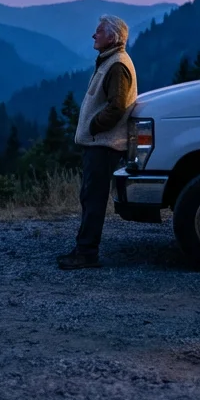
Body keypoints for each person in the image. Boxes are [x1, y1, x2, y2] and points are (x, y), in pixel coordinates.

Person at [57, 14, 137, 270]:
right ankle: (83, 247)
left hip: (104, 144)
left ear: (111, 37)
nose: (94, 35)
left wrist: (94, 125)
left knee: (93, 198)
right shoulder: (110, 62)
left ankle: (87, 253)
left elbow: (117, 106)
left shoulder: (116, 66)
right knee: (90, 196)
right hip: (99, 142)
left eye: (99, 31)